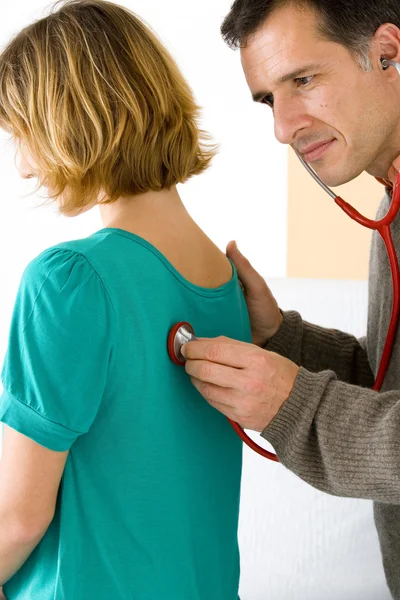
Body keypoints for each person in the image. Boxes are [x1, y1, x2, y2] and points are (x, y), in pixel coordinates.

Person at [0, 1, 252, 598]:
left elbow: (18, 517)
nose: (25, 168)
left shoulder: (70, 280)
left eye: (21, 135)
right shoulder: (226, 280)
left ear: (68, 123)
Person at [181, 1, 400, 598]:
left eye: (303, 80)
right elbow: (389, 382)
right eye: (268, 99)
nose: (284, 126)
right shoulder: (390, 206)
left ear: (387, 53)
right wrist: (283, 336)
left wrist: (290, 402)